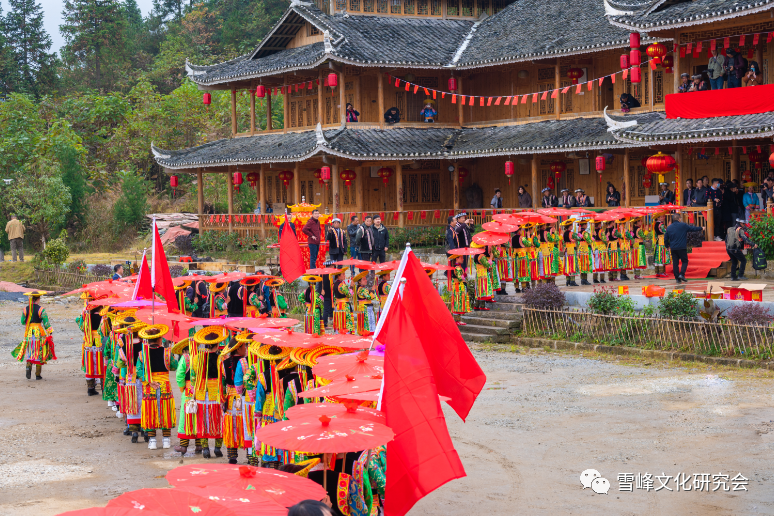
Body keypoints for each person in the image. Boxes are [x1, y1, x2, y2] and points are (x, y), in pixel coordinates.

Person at [136, 324, 177, 450]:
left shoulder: (142, 354)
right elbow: (173, 367)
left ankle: (153, 440)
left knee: (150, 412)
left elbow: (138, 371)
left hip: (150, 387)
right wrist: (172, 356)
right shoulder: (166, 352)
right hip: (164, 385)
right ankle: (166, 440)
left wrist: (148, 381)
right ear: (160, 339)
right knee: (165, 412)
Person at [190, 326, 228, 459]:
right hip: (216, 392)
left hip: (201, 391)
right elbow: (224, 378)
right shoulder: (221, 359)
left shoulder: (196, 358)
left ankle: (205, 448)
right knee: (217, 419)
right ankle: (217, 447)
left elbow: (193, 378)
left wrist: (195, 389)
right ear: (217, 344)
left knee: (202, 420)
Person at [12, 290, 54, 380]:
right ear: (38, 299)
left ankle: (28, 366)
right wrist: (50, 333)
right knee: (39, 351)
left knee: (30, 351)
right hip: (39, 332)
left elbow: (23, 322)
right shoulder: (41, 309)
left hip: (29, 333)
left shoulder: (25, 309)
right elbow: (46, 323)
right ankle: (37, 375)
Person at [664, 213, 703, 283]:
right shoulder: (683, 225)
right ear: (679, 219)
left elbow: (665, 238)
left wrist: (667, 246)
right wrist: (701, 228)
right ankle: (682, 274)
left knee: (675, 263)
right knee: (684, 261)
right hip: (681, 247)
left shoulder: (669, 227)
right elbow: (692, 229)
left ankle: (677, 278)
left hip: (673, 248)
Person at [450, 255, 470, 325]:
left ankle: (457, 320)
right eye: (461, 258)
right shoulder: (457, 268)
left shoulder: (458, 267)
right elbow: (460, 278)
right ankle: (456, 321)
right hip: (458, 287)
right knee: (457, 303)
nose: (463, 259)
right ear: (457, 258)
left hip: (458, 287)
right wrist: (465, 273)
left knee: (457, 303)